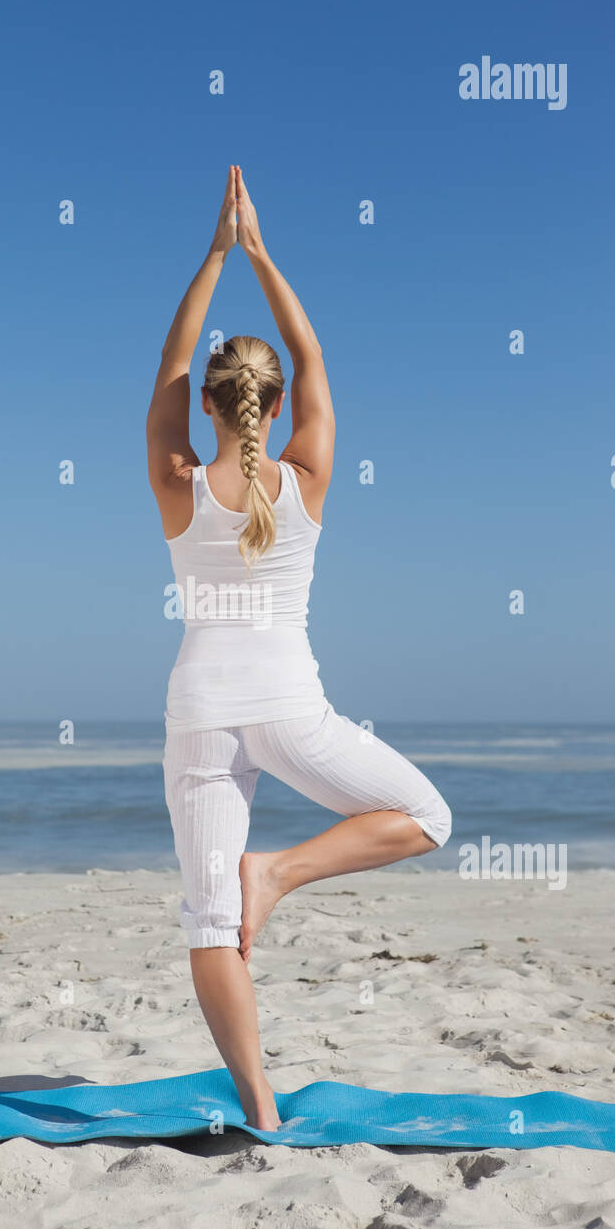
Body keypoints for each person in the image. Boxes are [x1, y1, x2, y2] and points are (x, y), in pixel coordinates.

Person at [147, 166, 451, 1131]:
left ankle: (263, 1113)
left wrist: (211, 257)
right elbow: (316, 360)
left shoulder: (175, 480)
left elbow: (169, 364)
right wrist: (262, 253)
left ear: (210, 409)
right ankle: (278, 873)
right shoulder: (306, 477)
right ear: (271, 410)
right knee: (427, 816)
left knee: (208, 925)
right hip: (287, 708)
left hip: (198, 708)